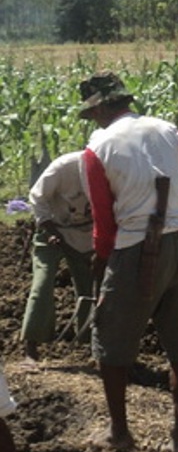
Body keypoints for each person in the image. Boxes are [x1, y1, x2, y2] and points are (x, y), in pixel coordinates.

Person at [79, 70, 178, 452]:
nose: (95, 121)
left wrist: (103, 264)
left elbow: (104, 225)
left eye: (94, 113)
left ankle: (119, 431)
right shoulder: (167, 130)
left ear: (102, 106)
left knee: (111, 341)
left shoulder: (97, 148)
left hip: (135, 247)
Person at [19, 151, 95, 367]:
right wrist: (51, 230)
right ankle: (31, 349)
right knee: (42, 285)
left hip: (84, 233)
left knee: (88, 288)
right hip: (53, 229)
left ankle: (87, 344)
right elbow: (37, 196)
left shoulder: (111, 169)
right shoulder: (64, 167)